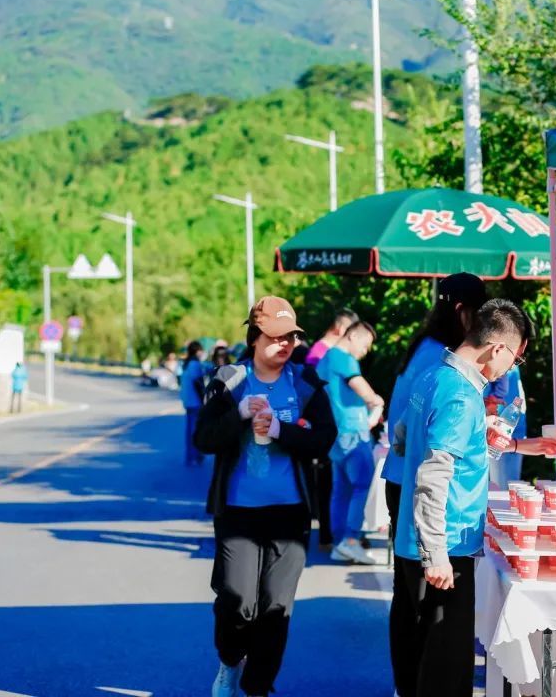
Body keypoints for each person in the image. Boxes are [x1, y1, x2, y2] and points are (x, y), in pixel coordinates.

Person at [391, 299, 556, 697]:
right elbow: (434, 476)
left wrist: (502, 441)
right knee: (446, 671)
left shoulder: (434, 374)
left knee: (422, 659)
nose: (511, 368)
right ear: (497, 348)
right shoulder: (463, 396)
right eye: (515, 358)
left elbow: (402, 437)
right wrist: (436, 554)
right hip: (445, 546)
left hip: (416, 539)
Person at [194, 296, 337, 697]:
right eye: (275, 337)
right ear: (255, 337)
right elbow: (203, 438)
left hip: (290, 513)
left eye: (291, 336)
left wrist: (279, 431)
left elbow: (324, 439)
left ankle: (257, 686)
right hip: (238, 512)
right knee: (237, 601)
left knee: (276, 607)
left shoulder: (305, 383)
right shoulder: (229, 380)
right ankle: (229, 661)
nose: (285, 344)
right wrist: (238, 414)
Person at [383, 272, 487, 694]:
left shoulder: (426, 349)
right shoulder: (440, 363)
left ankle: (410, 683)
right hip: (416, 482)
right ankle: (415, 683)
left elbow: (405, 426)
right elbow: (427, 448)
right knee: (424, 606)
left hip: (404, 476)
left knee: (412, 599)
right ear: (463, 312)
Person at [316, 320, 385, 565]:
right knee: (362, 484)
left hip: (335, 433)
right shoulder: (343, 358)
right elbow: (359, 384)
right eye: (365, 345)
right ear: (353, 336)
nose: (365, 352)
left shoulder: (325, 360)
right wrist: (376, 400)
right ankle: (351, 540)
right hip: (353, 432)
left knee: (342, 489)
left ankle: (340, 543)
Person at [486, 364, 527, 485]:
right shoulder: (509, 362)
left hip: (501, 427)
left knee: (503, 486)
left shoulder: (504, 361)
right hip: (503, 426)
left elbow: (502, 388)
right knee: (503, 485)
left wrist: (492, 399)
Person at [181, 341, 207, 465]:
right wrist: (204, 398)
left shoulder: (186, 364)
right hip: (195, 401)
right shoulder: (195, 364)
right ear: (197, 351)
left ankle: (190, 456)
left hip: (187, 401)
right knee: (197, 429)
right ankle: (197, 454)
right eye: (201, 350)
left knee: (189, 429)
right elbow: (198, 383)